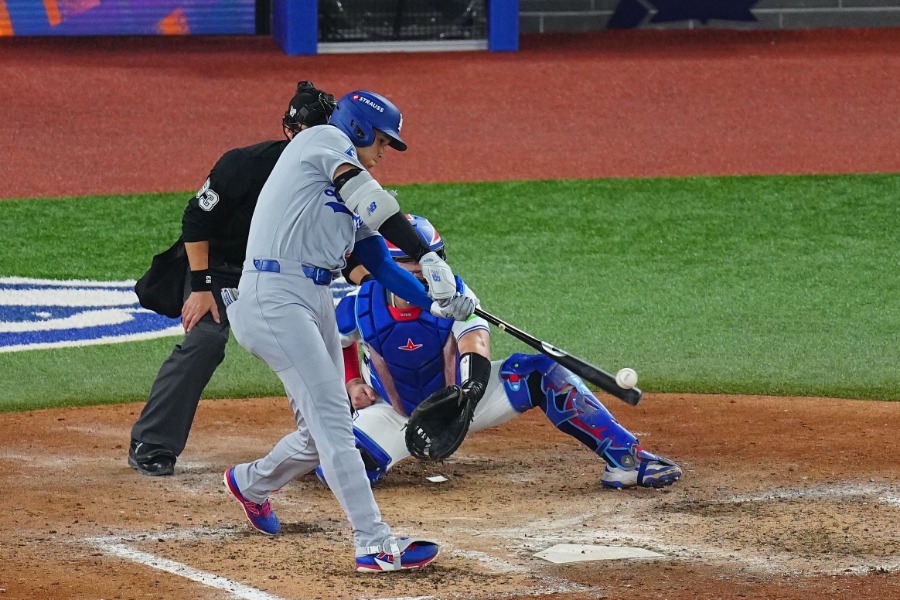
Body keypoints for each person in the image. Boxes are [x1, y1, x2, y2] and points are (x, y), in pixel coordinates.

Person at [221, 90, 475, 573]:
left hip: (312, 298)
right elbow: (373, 199)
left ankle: (250, 483)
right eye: (381, 141)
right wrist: (428, 255)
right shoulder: (322, 141)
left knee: (321, 432)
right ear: (358, 128)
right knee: (336, 422)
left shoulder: (352, 188)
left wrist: (440, 299)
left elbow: (380, 263)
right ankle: (374, 543)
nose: (383, 153)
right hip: (273, 294)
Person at [320, 214, 683, 490]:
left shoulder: (457, 299)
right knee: (338, 474)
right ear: (388, 271)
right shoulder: (359, 304)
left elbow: (474, 346)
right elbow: (339, 344)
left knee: (542, 372)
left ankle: (625, 458)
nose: (424, 280)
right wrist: (352, 382)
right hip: (392, 414)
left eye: (429, 268)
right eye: (412, 273)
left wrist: (469, 395)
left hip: (459, 405)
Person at [128, 82, 336, 477]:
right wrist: (203, 287)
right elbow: (196, 220)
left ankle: (328, 442)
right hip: (222, 269)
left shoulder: (335, 178)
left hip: (284, 276)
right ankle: (152, 443)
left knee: (315, 344)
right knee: (206, 339)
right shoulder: (244, 164)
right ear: (289, 131)